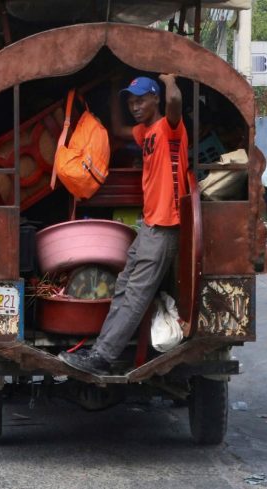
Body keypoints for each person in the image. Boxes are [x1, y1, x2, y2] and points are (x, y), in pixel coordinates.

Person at [60, 74, 187, 375]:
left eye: (141, 99)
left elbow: (175, 102)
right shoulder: (146, 132)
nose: (135, 105)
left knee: (135, 296)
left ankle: (102, 357)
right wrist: (114, 82)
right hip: (149, 226)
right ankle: (99, 352)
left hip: (165, 227)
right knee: (123, 288)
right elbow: (117, 129)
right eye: (131, 101)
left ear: (156, 98)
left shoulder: (171, 129)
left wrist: (169, 80)